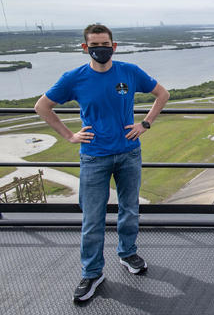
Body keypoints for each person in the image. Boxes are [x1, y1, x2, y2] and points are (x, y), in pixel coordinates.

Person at [34, 24, 170, 302]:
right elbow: (42, 106)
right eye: (94, 45)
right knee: (92, 218)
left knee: (129, 209)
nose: (101, 49)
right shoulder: (74, 78)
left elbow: (162, 94)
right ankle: (93, 272)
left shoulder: (129, 72)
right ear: (85, 48)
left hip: (129, 153)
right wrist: (70, 136)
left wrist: (145, 123)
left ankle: (127, 253)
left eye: (105, 44)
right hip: (94, 156)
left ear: (114, 46)